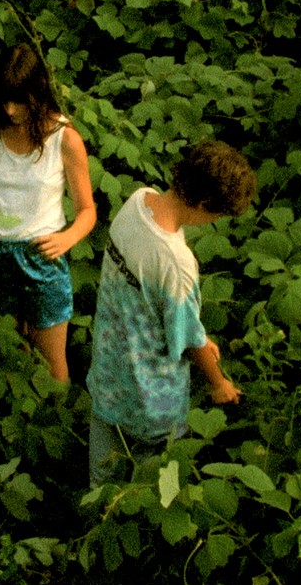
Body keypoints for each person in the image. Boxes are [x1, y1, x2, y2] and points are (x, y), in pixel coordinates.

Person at [87, 140, 256, 487]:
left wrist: (196, 334)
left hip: (107, 377)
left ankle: (95, 527)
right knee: (156, 484)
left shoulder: (136, 202)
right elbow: (189, 339)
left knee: (101, 479)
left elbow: (147, 303)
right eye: (218, 214)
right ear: (207, 204)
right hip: (152, 401)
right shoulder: (176, 263)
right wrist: (219, 383)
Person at [0, 42, 96, 383]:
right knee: (8, 348)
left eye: (18, 100)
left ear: (37, 93)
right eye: (3, 99)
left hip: (43, 254)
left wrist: (67, 238)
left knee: (52, 361)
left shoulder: (64, 138)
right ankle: (11, 414)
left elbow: (87, 210)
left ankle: (58, 423)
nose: (10, 110)